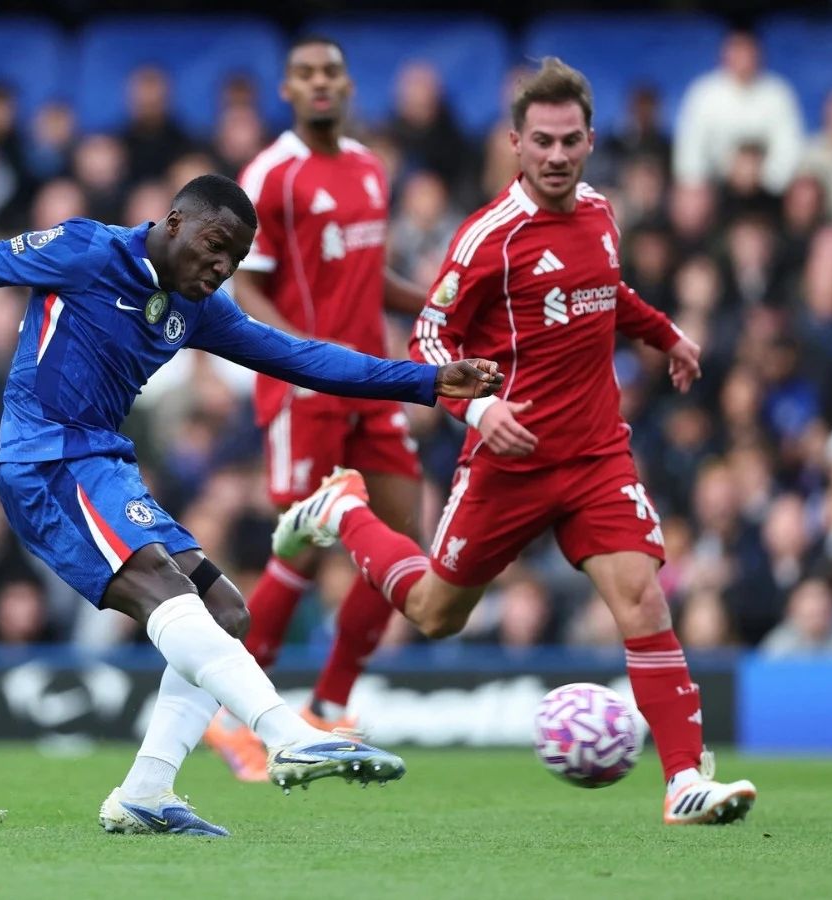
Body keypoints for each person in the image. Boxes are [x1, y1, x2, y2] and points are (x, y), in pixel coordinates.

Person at [0, 173, 503, 837]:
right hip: (44, 458)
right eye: (215, 246)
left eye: (234, 261)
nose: (220, 268)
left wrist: (425, 382)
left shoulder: (200, 308)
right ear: (173, 221)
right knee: (162, 588)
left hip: (103, 463)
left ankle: (147, 792)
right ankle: (285, 731)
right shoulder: (85, 251)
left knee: (226, 614)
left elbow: (302, 356)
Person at [272, 59, 758, 826]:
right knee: (435, 611)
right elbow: (429, 333)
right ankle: (343, 510)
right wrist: (476, 409)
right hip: (511, 459)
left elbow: (608, 292)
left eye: (570, 141)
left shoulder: (600, 212)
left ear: (590, 140)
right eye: (543, 142)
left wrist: (667, 336)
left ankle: (683, 781)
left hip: (597, 455)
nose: (558, 156)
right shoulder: (489, 237)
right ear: (516, 144)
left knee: (642, 601)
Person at [203, 35, 429, 782]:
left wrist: (437, 300)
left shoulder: (367, 167)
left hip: (372, 379)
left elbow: (368, 276)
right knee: (301, 548)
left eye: (332, 70)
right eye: (307, 74)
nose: (321, 82)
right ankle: (234, 722)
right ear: (287, 90)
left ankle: (330, 709)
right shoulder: (271, 175)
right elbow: (246, 286)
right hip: (306, 387)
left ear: (349, 82)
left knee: (403, 534)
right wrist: (304, 359)